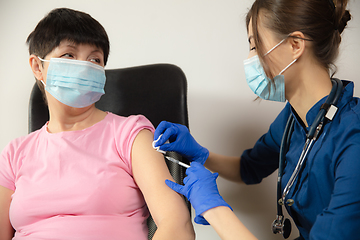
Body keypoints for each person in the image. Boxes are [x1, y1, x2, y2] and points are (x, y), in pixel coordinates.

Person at [153, 0, 359, 239]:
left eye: (254, 45)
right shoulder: (293, 120)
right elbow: (249, 168)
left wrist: (213, 208)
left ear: (295, 45)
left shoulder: (354, 136)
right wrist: (202, 154)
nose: (250, 58)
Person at [0, 8, 195, 240]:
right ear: (37, 67)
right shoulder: (15, 153)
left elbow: (176, 225)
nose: (84, 66)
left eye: (95, 59)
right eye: (69, 55)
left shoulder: (130, 135)